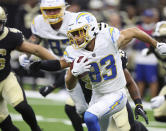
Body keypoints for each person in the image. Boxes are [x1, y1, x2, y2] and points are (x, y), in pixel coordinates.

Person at [18, 0, 150, 130]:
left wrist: (138, 104)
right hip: (79, 74)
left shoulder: (95, 38)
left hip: (107, 86)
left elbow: (129, 80)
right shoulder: (43, 26)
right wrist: (31, 57)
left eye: (55, 9)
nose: (52, 13)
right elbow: (65, 70)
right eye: (48, 10)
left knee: (124, 125)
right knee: (76, 109)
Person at [0, 6, 59, 131]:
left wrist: (58, 63)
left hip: (5, 78)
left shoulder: (10, 35)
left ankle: (36, 129)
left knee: (21, 106)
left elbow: (36, 49)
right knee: (7, 126)